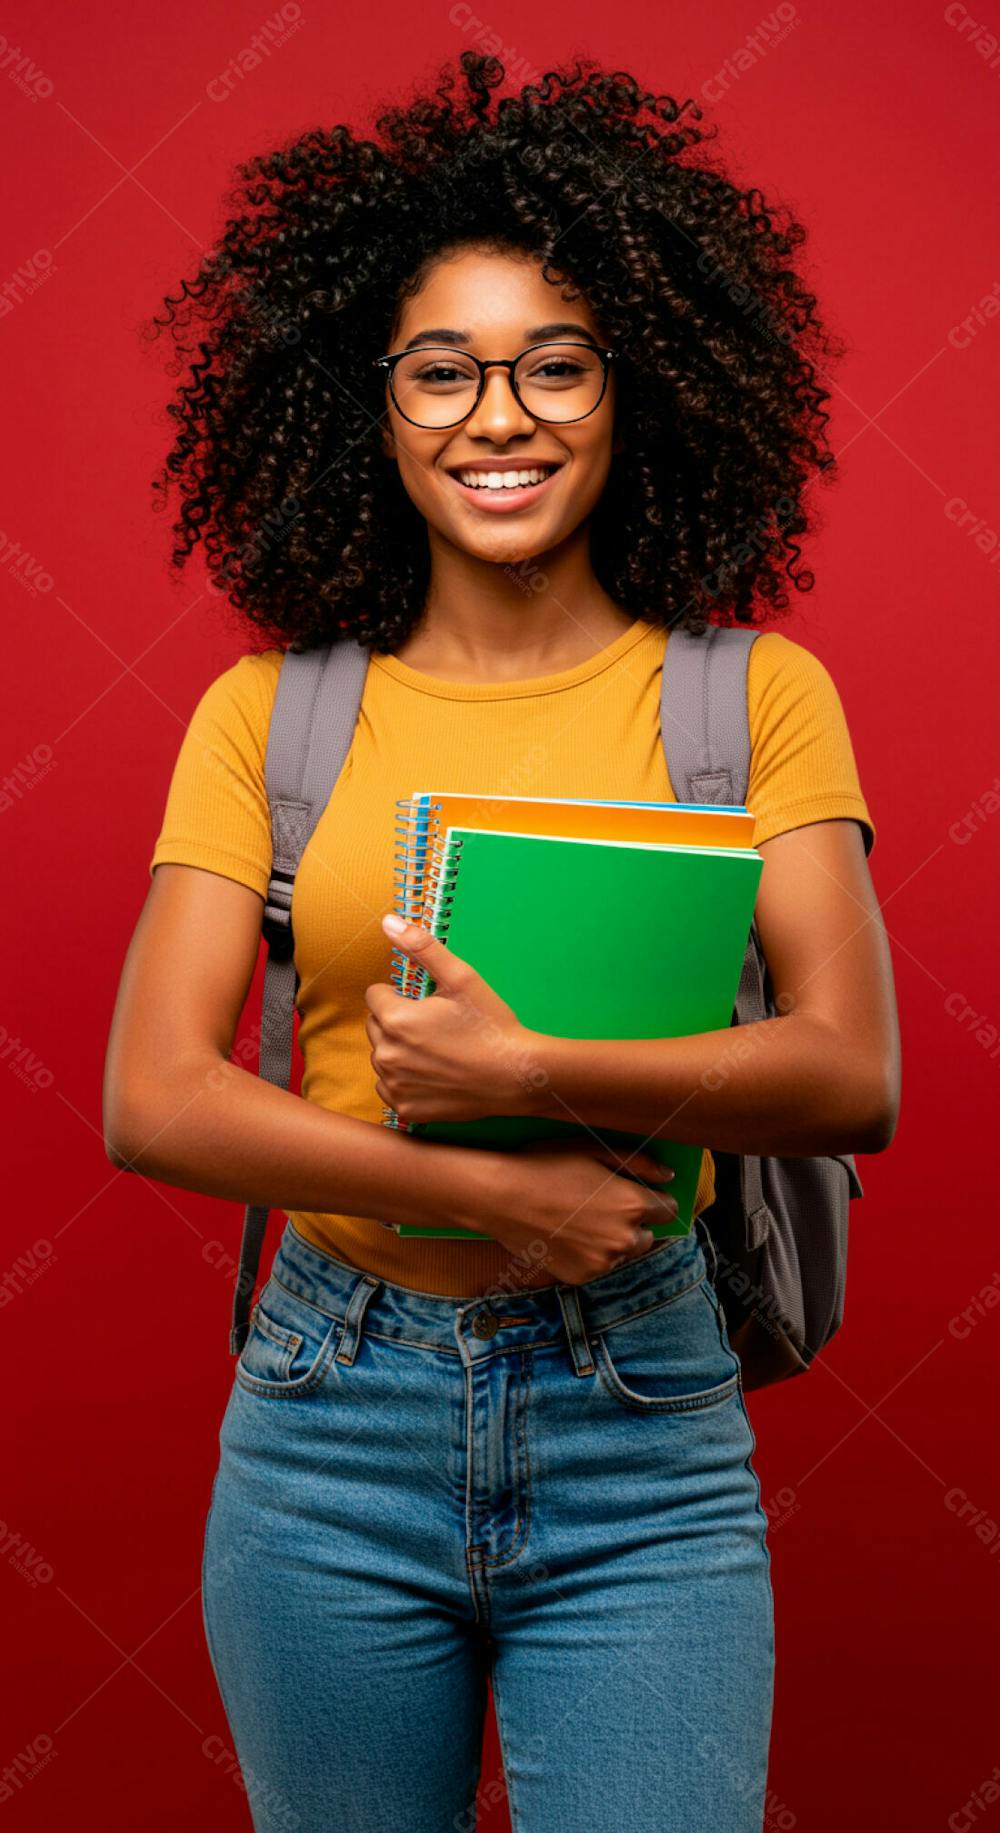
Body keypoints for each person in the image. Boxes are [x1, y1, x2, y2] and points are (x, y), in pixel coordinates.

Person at [103, 51, 900, 1833]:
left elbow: (851, 1073)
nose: (500, 415)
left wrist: (531, 1074)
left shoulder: (750, 699)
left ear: (639, 392)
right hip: (327, 1418)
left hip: (644, 1412)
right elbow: (150, 1099)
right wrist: (500, 1190)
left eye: (555, 363)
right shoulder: (271, 719)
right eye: (441, 370)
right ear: (367, 407)